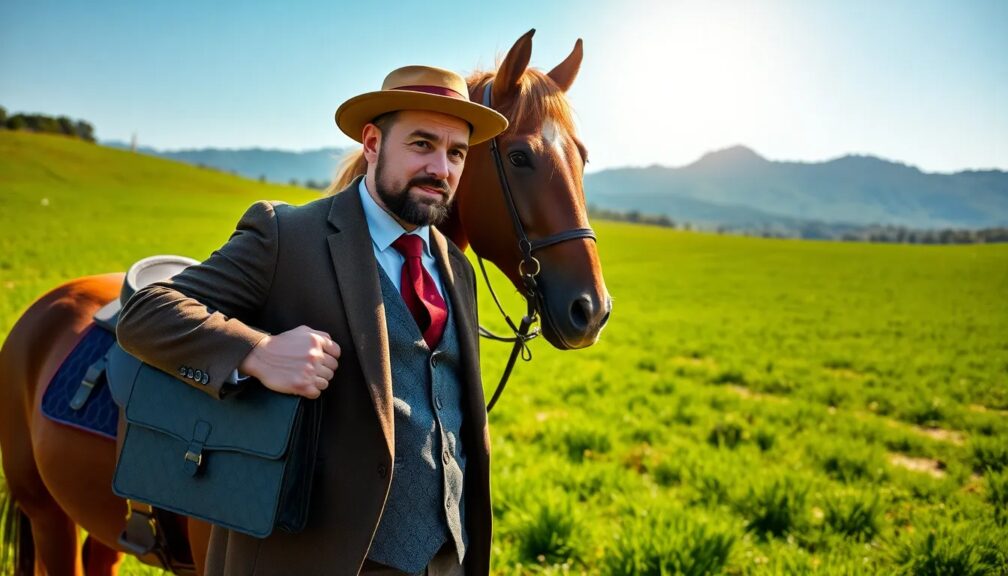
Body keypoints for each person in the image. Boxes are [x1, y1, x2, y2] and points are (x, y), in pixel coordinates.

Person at [116, 64, 508, 576]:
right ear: (372, 143)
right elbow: (145, 311)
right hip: (314, 556)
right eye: (421, 144)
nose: (442, 167)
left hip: (446, 557)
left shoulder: (456, 266)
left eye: (456, 152)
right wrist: (254, 352)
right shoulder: (287, 234)